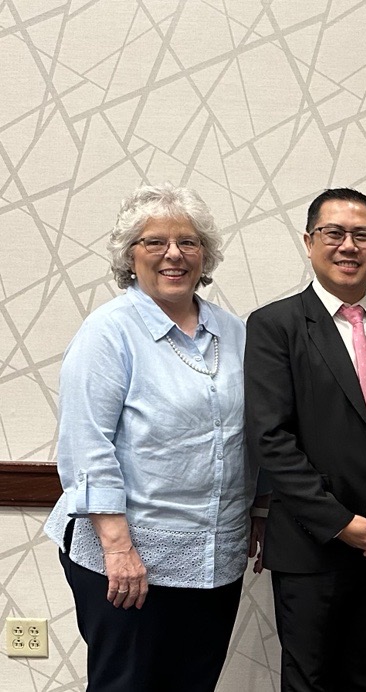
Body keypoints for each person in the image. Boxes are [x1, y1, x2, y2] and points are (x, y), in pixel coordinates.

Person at [43, 183, 262, 691]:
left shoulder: (235, 333)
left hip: (214, 555)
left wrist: (263, 506)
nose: (173, 254)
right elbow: (87, 444)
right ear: (129, 256)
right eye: (154, 241)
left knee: (194, 682)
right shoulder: (108, 332)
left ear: (204, 255)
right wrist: (118, 548)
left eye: (188, 242)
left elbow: (259, 428)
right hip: (126, 555)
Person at [245, 187, 366, 692]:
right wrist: (340, 522)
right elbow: (271, 439)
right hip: (312, 547)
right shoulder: (274, 326)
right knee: (310, 682)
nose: (349, 245)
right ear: (309, 242)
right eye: (334, 233)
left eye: (362, 235)